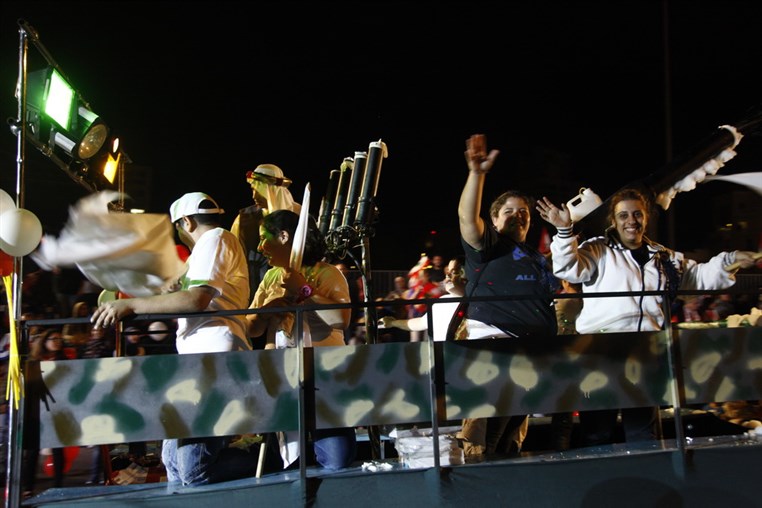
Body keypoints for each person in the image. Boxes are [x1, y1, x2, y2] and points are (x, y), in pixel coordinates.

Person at [536, 187, 759, 446]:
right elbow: (568, 269)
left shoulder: (662, 256)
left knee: (643, 434)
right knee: (598, 432)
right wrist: (564, 231)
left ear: (646, 217)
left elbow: (697, 277)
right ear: (613, 220)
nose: (631, 221)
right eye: (623, 215)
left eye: (637, 214)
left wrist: (731, 260)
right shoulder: (598, 249)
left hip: (646, 350)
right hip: (602, 351)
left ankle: (647, 472)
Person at [91, 191, 257, 486]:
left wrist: (131, 306)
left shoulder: (215, 238)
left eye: (178, 227)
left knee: (194, 471)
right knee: (172, 464)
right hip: (199, 358)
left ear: (187, 222)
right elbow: (190, 295)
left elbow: (196, 300)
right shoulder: (205, 249)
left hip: (214, 355)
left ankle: (272, 458)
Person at [457, 133, 560, 461]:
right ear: (494, 220)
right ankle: (480, 481)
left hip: (530, 352)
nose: (518, 215)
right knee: (486, 436)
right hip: (495, 349)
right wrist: (476, 174)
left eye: (524, 211)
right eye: (509, 211)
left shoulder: (536, 257)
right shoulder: (489, 246)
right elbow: (467, 219)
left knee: (510, 435)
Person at [246, 209, 356, 470]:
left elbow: (340, 320)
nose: (260, 247)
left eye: (264, 238)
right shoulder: (271, 277)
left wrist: (305, 291)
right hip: (281, 375)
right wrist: (267, 312)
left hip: (323, 375)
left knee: (337, 459)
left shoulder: (328, 273)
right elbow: (251, 329)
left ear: (284, 236)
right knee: (285, 461)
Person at [231, 164, 301, 307]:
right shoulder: (244, 219)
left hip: (293, 283)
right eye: (252, 190)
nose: (254, 196)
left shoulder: (298, 215)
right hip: (257, 284)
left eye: (258, 191)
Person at [380, 256, 466, 342]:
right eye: (448, 272)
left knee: (425, 339)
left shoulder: (432, 288)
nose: (448, 275)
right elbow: (420, 322)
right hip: (416, 316)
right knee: (416, 340)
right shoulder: (440, 301)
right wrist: (393, 323)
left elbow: (436, 292)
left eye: (455, 272)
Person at [550, 279, 582, 451]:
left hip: (562, 357)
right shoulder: (590, 301)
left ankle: (560, 452)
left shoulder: (558, 302)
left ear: (565, 281)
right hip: (585, 357)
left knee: (563, 413)